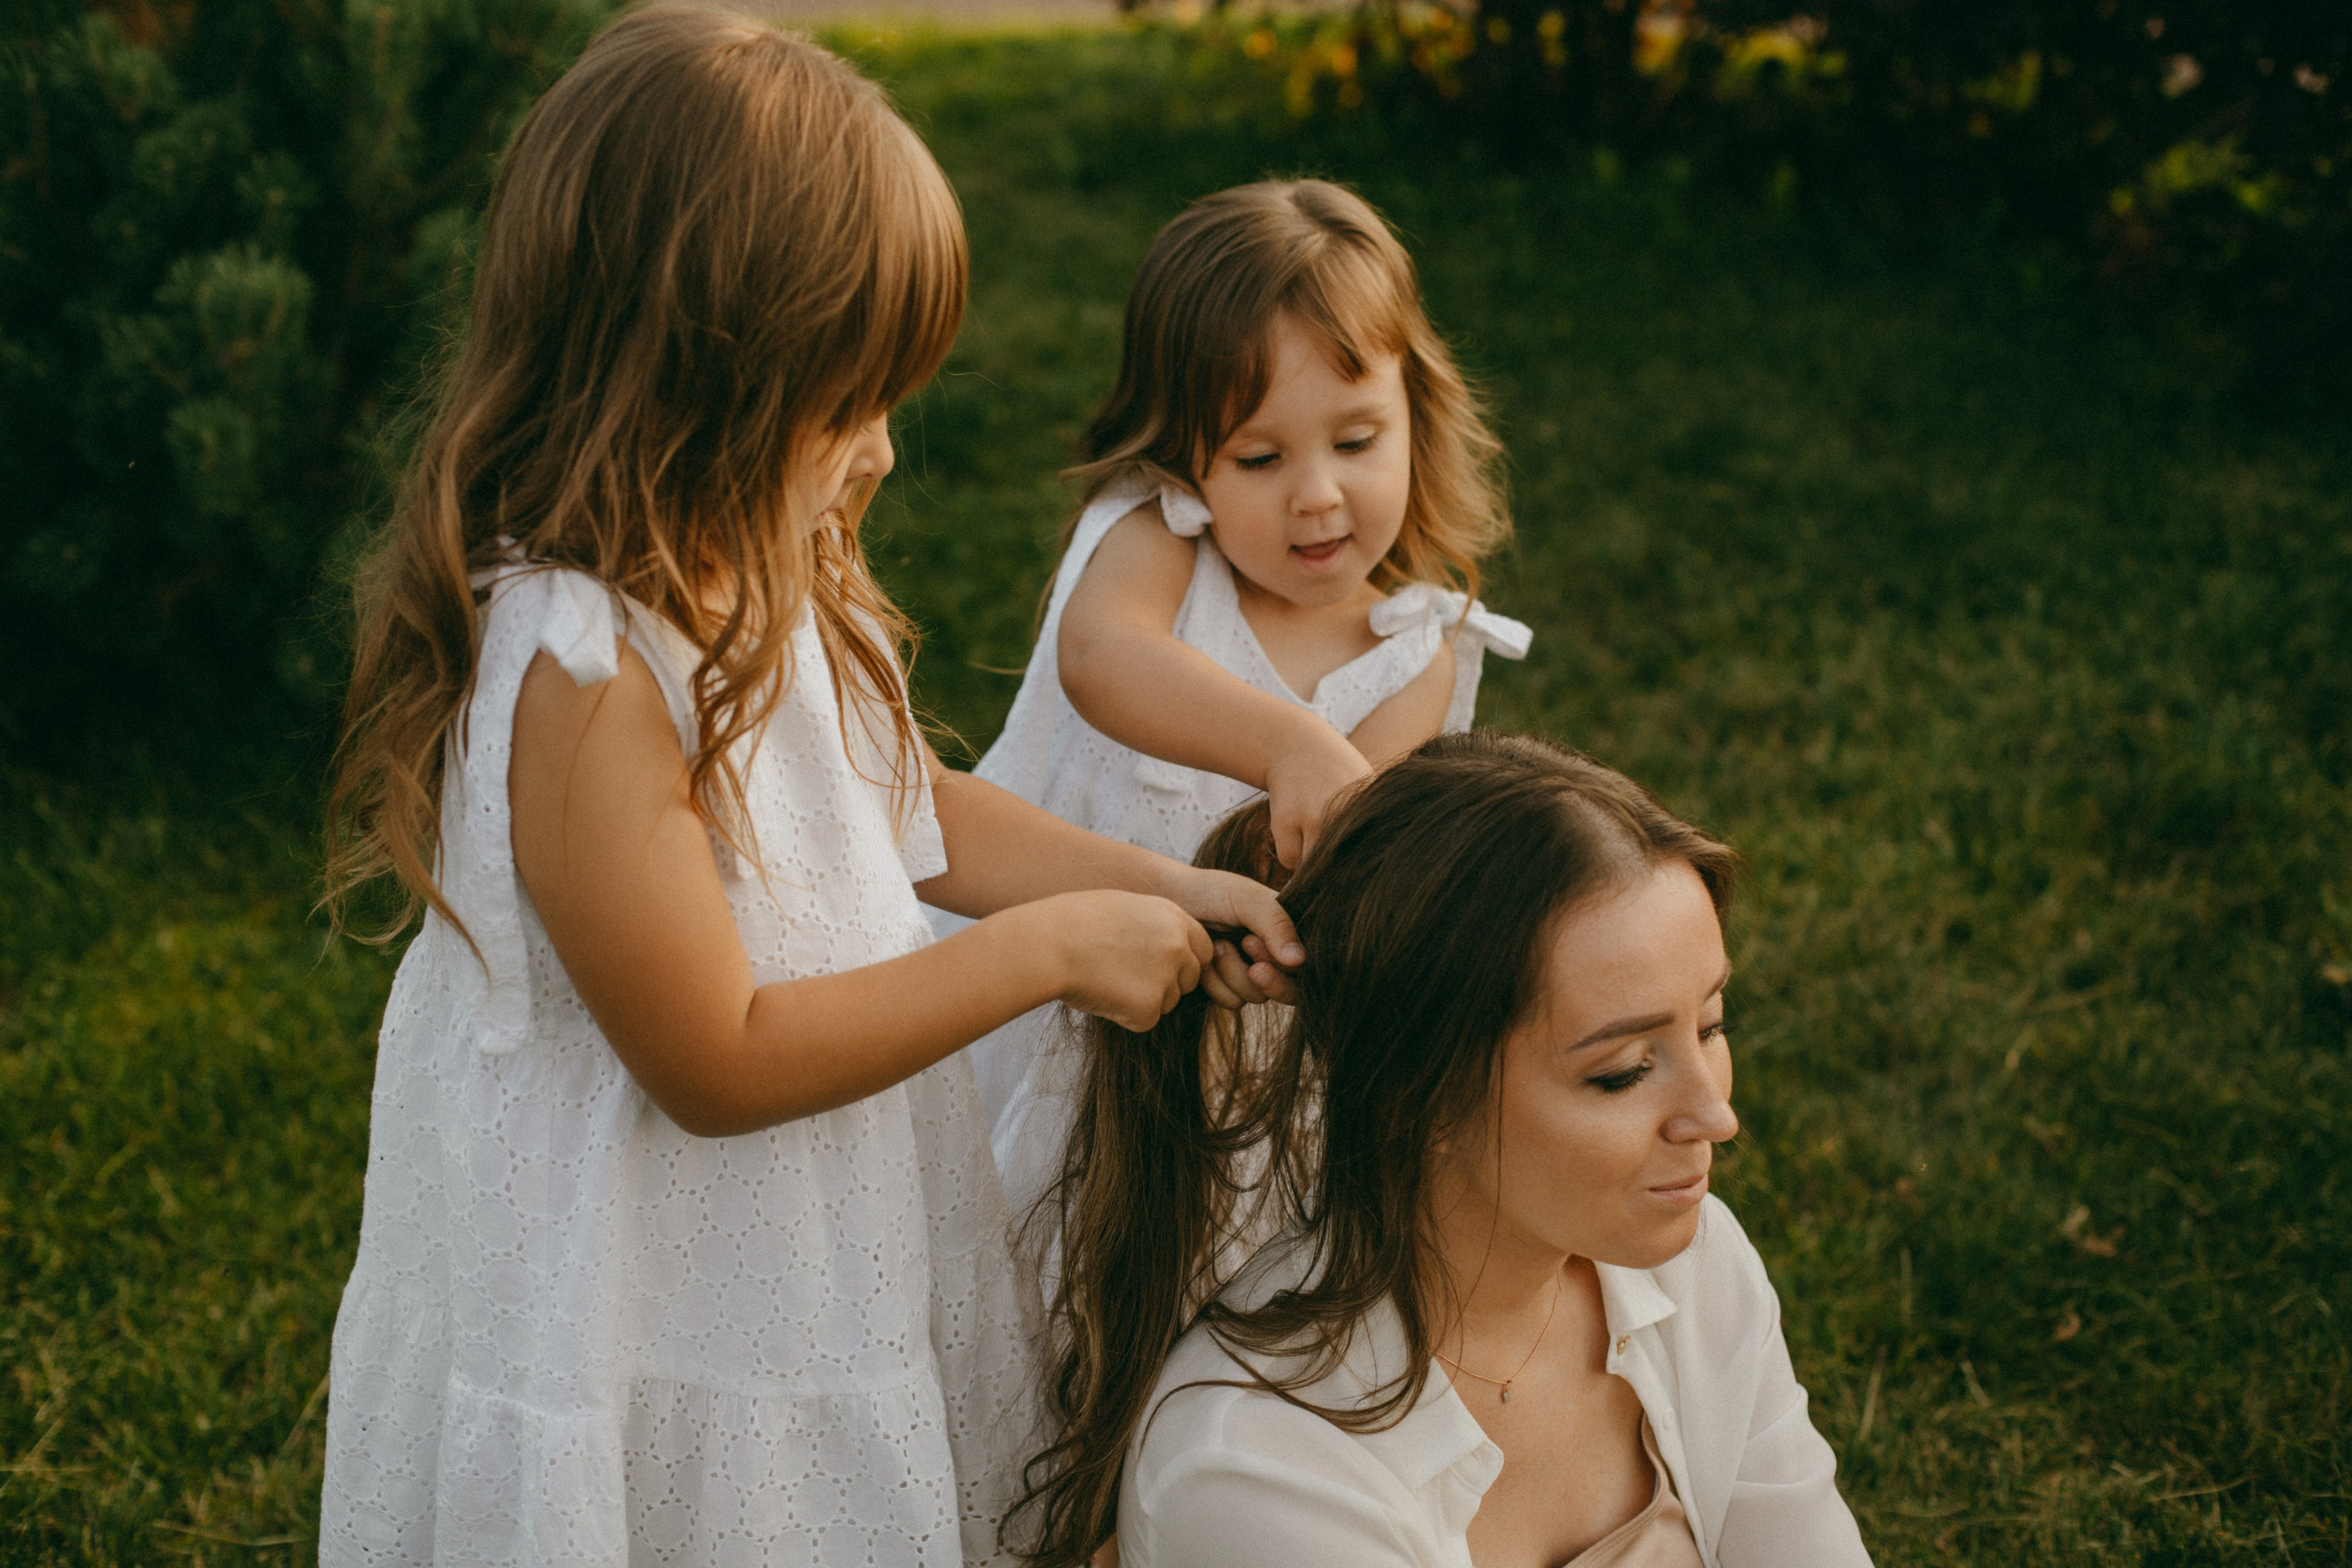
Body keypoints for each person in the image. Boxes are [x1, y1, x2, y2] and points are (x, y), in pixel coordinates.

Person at [314, 11, 1300, 1563]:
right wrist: (1045, 957)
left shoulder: (758, 561)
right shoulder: (584, 667)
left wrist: (1155, 889)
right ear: (703, 389)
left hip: (806, 1235)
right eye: (851, 409)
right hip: (651, 1281)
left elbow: (903, 809)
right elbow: (714, 1053)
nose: (886, 456)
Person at [1016, 733, 1874, 1568]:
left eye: (1711, 1024)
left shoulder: (1697, 1270)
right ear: (1415, 1097)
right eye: (1621, 1072)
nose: (1715, 1114)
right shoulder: (1257, 1467)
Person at [940, 179, 1531, 1222]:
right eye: (1259, 457)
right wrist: (1288, 741)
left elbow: (1341, 859)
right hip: (1030, 993)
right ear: (1186, 454)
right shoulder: (1155, 538)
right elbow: (1102, 658)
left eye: (1356, 441)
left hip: (1222, 1069)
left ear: (1415, 413)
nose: (1316, 493)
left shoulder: (1412, 655)